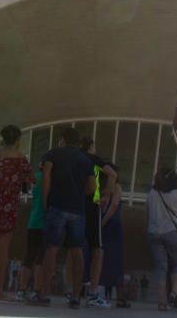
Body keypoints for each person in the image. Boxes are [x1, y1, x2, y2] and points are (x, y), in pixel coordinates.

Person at [32, 127, 96, 309]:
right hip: (77, 209)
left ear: (62, 139)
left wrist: (45, 203)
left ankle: (43, 294)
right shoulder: (85, 159)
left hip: (57, 206)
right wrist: (78, 193)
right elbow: (92, 187)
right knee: (77, 251)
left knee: (51, 249)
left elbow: (46, 178)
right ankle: (75, 296)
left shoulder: (52, 154)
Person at [0, 124, 33, 301]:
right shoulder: (19, 158)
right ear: (17, 140)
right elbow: (31, 179)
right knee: (3, 247)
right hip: (9, 203)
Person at [78, 136, 118, 308]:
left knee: (75, 247)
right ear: (91, 146)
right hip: (92, 205)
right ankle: (93, 293)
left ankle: (73, 290)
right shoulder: (93, 159)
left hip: (74, 204)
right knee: (97, 249)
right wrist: (106, 195)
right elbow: (112, 174)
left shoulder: (74, 159)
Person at [147, 166, 177, 311]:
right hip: (173, 232)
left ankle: (161, 303)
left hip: (153, 233)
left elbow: (148, 214)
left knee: (160, 268)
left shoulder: (152, 193)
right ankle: (174, 293)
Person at [100, 171, 129, 308]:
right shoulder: (117, 187)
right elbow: (115, 205)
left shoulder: (101, 188)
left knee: (102, 258)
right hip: (112, 225)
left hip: (103, 226)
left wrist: (101, 221)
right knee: (116, 261)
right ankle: (120, 298)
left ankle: (99, 292)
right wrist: (104, 221)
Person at [19, 165, 46, 303]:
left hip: (33, 221)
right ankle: (36, 291)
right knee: (41, 258)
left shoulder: (35, 177)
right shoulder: (51, 178)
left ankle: (21, 290)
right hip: (46, 222)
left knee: (29, 256)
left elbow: (26, 188)